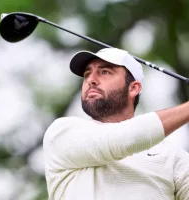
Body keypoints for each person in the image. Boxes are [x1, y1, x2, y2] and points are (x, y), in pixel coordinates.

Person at [43, 48, 189, 200]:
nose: (90, 80)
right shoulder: (62, 133)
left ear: (133, 88)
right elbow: (123, 138)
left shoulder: (172, 155)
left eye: (105, 72)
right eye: (87, 74)